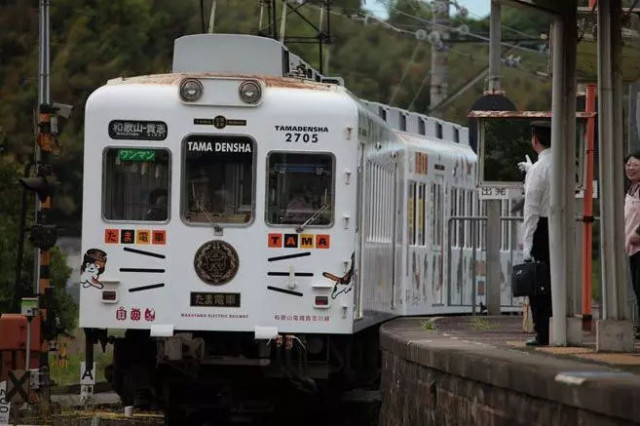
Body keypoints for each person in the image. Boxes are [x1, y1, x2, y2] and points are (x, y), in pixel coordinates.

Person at [520, 121, 552, 346]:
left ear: (535, 140)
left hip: (541, 228)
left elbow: (531, 208)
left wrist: (527, 244)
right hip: (558, 226)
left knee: (538, 284)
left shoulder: (539, 169)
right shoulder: (561, 162)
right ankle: (556, 328)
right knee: (554, 281)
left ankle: (542, 333)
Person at [624, 152, 640, 337]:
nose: (630, 168)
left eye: (635, 164)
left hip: (638, 243)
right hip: (632, 247)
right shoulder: (631, 189)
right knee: (637, 288)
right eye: (628, 165)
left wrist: (638, 233)